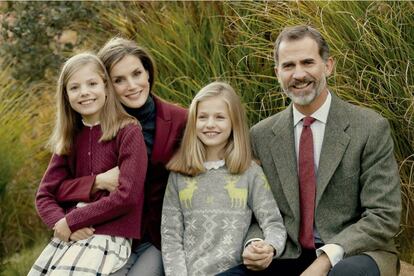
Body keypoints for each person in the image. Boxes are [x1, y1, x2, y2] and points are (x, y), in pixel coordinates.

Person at [220, 25, 401, 276]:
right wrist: (257, 244)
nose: (298, 74)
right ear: (277, 73)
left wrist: (325, 259)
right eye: (288, 66)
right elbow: (256, 212)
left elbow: (383, 215)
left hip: (355, 252)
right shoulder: (261, 135)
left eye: (307, 62)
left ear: (328, 66)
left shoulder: (369, 127)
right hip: (287, 252)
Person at [54, 38, 187, 275]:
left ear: (148, 73)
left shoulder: (180, 120)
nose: (132, 85)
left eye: (137, 73)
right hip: (104, 235)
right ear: (106, 84)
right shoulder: (89, 127)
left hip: (158, 237)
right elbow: (56, 188)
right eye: (119, 80)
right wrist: (96, 182)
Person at [29, 53, 147, 275]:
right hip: (72, 235)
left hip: (109, 237)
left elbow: (127, 196)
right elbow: (45, 195)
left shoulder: (128, 132)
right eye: (74, 88)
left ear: (105, 86)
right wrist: (62, 224)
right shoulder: (70, 139)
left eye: (92, 84)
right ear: (65, 95)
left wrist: (72, 220)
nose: (84, 92)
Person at [161, 81, 287, 275]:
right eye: (202, 117)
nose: (210, 124)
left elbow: (272, 222)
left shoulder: (249, 171)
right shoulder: (179, 174)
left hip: (235, 270)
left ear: (233, 122)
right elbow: (171, 236)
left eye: (220, 117)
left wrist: (269, 246)